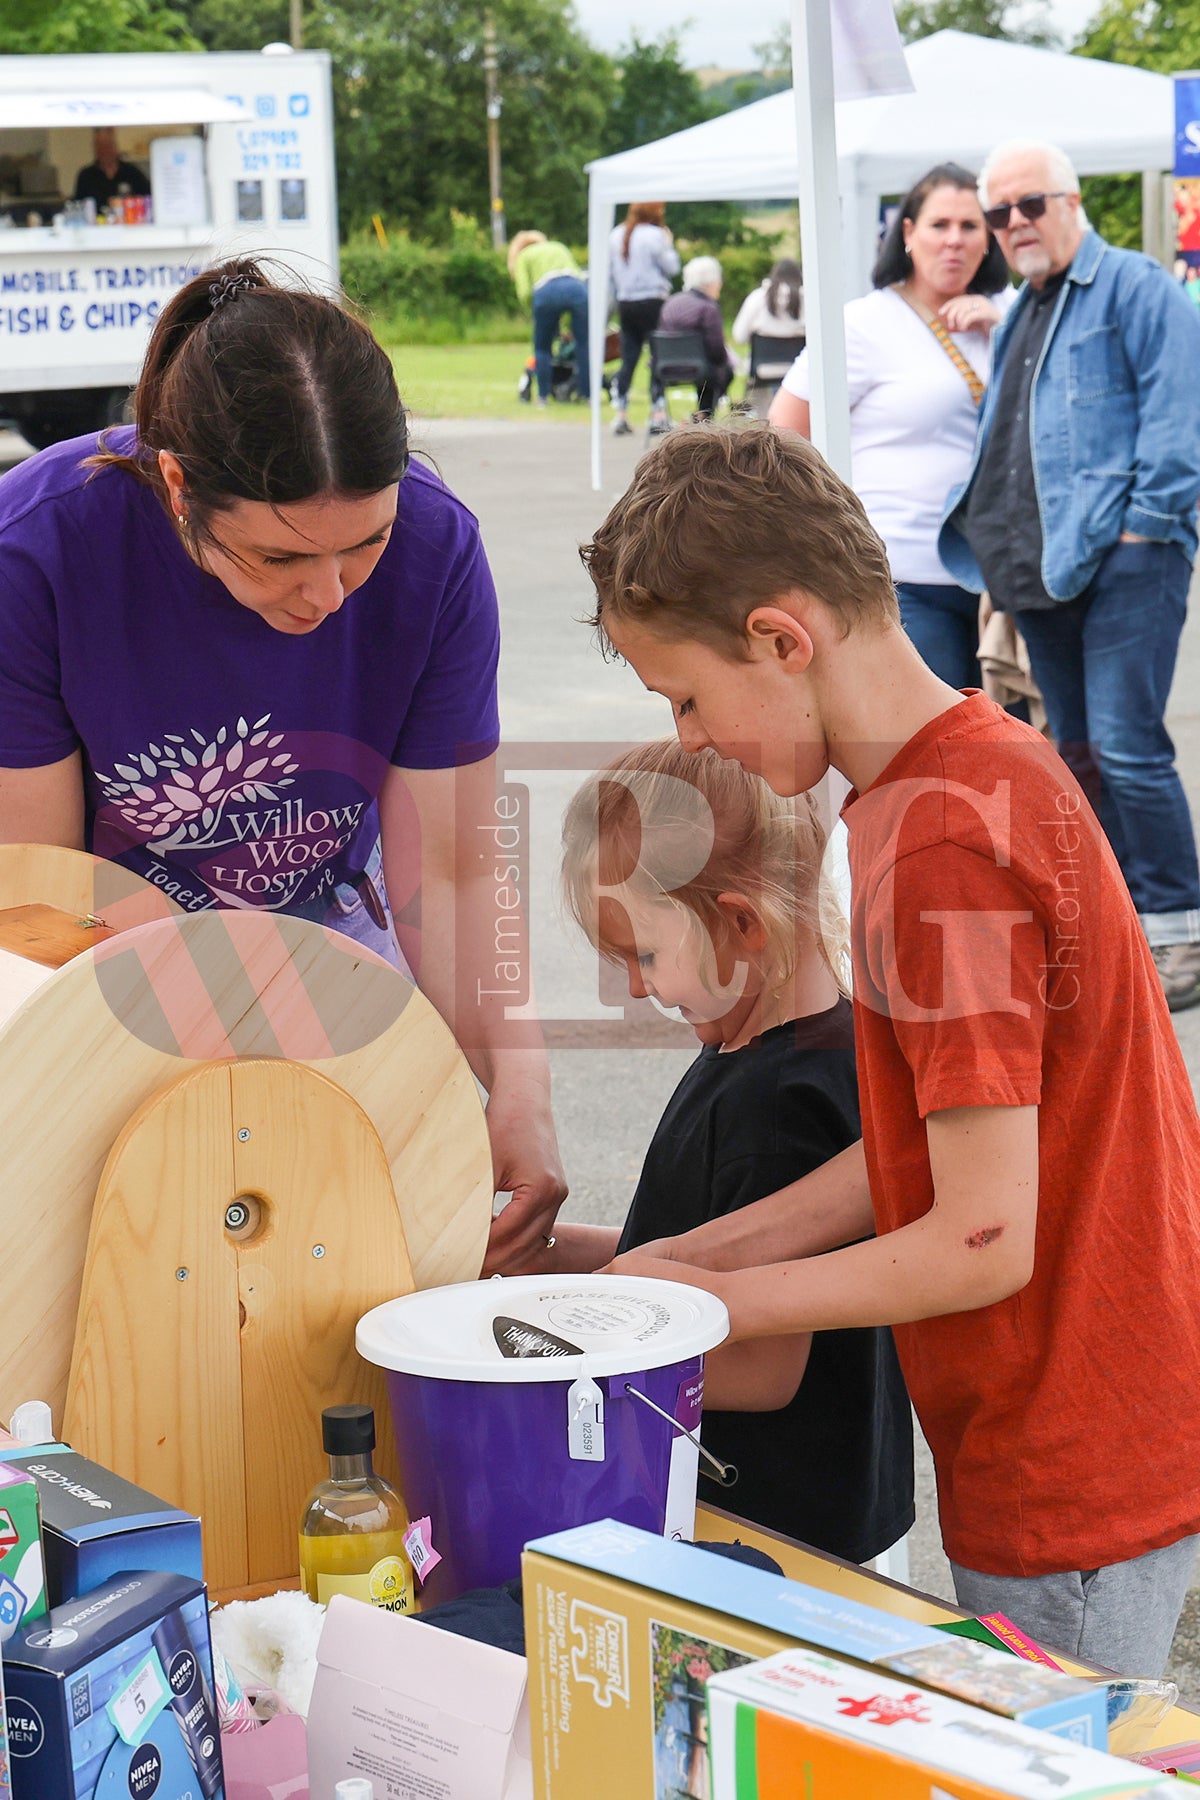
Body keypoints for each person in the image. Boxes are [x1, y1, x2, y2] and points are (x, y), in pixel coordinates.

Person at [580, 422, 1200, 1677]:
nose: (692, 741)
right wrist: (692, 1257)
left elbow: (981, 1233)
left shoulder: (933, 847)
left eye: (686, 698)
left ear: (780, 638)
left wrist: (708, 1309)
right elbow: (931, 1146)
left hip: (1064, 1459)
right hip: (1111, 1412)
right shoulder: (977, 768)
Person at [0, 257, 566, 1273]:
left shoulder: (438, 550)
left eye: (366, 545)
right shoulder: (35, 555)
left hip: (327, 940)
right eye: (280, 559)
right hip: (97, 965)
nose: (332, 597)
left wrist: (518, 1088)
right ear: (177, 486)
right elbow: (41, 903)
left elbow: (447, 875)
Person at [545, 737, 913, 1563]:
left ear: (741, 922)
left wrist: (563, 1352)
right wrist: (558, 1256)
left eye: (645, 955)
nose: (639, 988)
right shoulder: (785, 1051)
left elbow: (765, 1366)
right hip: (828, 1517)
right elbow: (707, 1258)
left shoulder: (779, 1106)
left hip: (785, 1542)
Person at [939, 139, 1200, 1012]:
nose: (1015, 224)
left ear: (1074, 201)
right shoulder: (1026, 306)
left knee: (1127, 746)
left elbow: (1178, 412)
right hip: (1036, 570)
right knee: (1075, 755)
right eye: (998, 214)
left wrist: (1144, 531)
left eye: (1030, 205)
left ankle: (1178, 930)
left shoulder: (1136, 288)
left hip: (1125, 562)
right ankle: (1120, 918)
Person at [771, 164, 1010, 693]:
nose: (954, 240)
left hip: (1003, 580)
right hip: (903, 577)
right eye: (939, 224)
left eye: (970, 226)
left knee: (1009, 750)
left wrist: (1004, 329)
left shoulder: (1013, 315)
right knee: (938, 750)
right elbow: (782, 437)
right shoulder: (862, 324)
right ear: (907, 233)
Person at [608, 202, 679, 438]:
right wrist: (668, 242)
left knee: (629, 357)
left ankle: (620, 412)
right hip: (653, 301)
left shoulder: (616, 234)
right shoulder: (656, 235)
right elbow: (672, 267)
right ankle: (656, 413)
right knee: (658, 357)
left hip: (626, 302)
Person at [507, 230, 590, 407]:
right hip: (577, 289)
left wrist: (534, 310)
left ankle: (543, 396)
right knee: (583, 343)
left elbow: (524, 292)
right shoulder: (558, 246)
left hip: (545, 292)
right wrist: (567, 326)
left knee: (542, 347)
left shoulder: (523, 255)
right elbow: (577, 275)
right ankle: (587, 395)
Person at [658, 256, 734, 420]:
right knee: (723, 370)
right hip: (699, 369)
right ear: (710, 283)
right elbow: (716, 349)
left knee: (710, 369)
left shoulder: (670, 302)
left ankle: (664, 415)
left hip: (665, 369)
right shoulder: (708, 308)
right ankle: (704, 416)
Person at [731, 256, 805, 345]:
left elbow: (739, 336)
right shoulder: (807, 301)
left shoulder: (757, 297)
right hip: (800, 358)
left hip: (762, 358)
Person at [74, 127, 151, 211]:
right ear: (94, 148)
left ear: (116, 146)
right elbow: (78, 207)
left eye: (108, 145)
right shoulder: (86, 176)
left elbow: (149, 200)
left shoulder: (133, 173)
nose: (104, 150)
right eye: (100, 146)